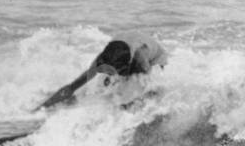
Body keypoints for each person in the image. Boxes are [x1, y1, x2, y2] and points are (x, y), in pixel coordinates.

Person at [34, 31, 167, 111]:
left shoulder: (140, 60)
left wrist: (128, 104)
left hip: (154, 57)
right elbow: (72, 87)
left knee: (138, 93)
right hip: (124, 46)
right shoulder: (101, 61)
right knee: (105, 89)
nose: (113, 75)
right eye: (110, 71)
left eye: (118, 71)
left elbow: (145, 86)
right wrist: (45, 105)